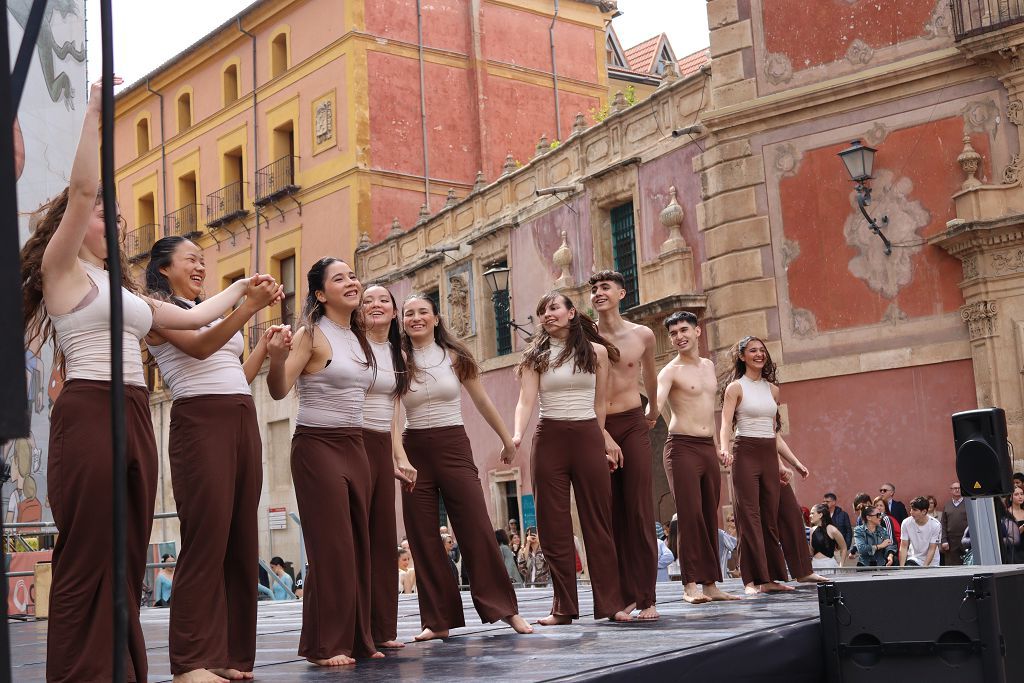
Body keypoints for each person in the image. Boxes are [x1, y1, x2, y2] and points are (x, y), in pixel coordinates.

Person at [20, 77, 277, 683]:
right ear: (73, 224)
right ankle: (79, 673)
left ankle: (121, 669)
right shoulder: (62, 272)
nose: (110, 222)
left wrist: (244, 290)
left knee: (130, 551)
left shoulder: (123, 290)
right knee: (89, 551)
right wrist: (92, 117)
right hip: (89, 408)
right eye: (101, 216)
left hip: (135, 412)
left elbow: (193, 318)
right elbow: (84, 187)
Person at [144, 235, 282, 683]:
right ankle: (189, 662)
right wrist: (247, 302)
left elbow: (232, 373)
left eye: (203, 261)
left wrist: (267, 348)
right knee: (206, 538)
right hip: (199, 420)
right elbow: (200, 348)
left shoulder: (211, 309)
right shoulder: (153, 309)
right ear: (164, 268)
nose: (201, 267)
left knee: (241, 538)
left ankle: (231, 655)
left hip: (240, 413)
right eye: (191, 260)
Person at [267, 257, 382, 667]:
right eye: (340, 278)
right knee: (331, 546)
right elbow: (279, 390)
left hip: (356, 443)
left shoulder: (358, 336)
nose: (351, 282)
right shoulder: (311, 334)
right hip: (317, 445)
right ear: (320, 293)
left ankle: (357, 636)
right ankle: (325, 645)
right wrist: (277, 359)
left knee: (358, 544)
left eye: (352, 275)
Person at [398, 293, 532, 641]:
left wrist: (507, 440)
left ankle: (506, 610)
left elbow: (483, 400)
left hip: (453, 444)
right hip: (414, 449)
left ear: (436, 318)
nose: (415, 318)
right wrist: (397, 456)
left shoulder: (455, 357)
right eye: (408, 313)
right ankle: (437, 620)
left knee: (475, 527)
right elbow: (392, 412)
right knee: (423, 537)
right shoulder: (397, 359)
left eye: (422, 312)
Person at [513, 292, 632, 625]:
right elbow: (525, 400)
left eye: (553, 308)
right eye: (542, 311)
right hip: (548, 437)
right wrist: (517, 434)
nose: (547, 315)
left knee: (598, 521)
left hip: (587, 437)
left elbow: (599, 405)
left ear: (571, 313)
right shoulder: (535, 356)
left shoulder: (596, 353)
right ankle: (564, 608)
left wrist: (602, 437)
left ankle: (611, 605)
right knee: (553, 527)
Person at [589, 271, 660, 620]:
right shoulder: (584, 335)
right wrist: (601, 434)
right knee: (610, 512)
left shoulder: (642, 334)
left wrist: (656, 406)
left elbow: (650, 372)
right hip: (597, 426)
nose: (598, 293)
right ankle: (622, 597)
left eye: (605, 288)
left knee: (639, 509)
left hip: (632, 422)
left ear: (621, 292)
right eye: (594, 289)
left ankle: (647, 597)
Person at [656, 311, 739, 603]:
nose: (679, 337)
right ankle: (689, 585)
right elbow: (655, 406)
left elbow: (707, 412)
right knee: (689, 517)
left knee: (708, 516)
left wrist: (717, 447)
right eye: (674, 333)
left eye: (683, 330)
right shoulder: (669, 371)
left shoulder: (708, 366)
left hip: (706, 447)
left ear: (697, 332)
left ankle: (710, 584)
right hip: (680, 447)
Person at [719, 336, 807, 594]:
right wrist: (724, 449)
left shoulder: (773, 390)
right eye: (752, 350)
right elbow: (726, 424)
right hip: (745, 452)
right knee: (749, 517)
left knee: (769, 518)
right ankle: (750, 581)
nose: (759, 354)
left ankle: (769, 579)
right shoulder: (735, 388)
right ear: (742, 356)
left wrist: (795, 463)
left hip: (768, 454)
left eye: (762, 350)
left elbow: (774, 432)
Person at [361, 284, 417, 650]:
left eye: (384, 300)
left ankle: (383, 630)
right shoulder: (352, 345)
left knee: (383, 539)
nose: (376, 305)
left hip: (381, 442)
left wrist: (399, 455)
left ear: (394, 313)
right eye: (368, 300)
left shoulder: (397, 354)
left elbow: (394, 411)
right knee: (355, 538)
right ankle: (357, 631)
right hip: (351, 438)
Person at [775, 465, 827, 586]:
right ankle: (760, 580)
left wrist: (794, 464)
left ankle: (803, 572)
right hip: (749, 461)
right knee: (757, 520)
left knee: (792, 513)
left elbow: (775, 445)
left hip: (770, 465)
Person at [899, 497, 941, 567]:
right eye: (911, 509)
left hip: (932, 562)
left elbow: (932, 549)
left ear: (924, 511)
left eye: (915, 510)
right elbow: (903, 546)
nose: (911, 512)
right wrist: (902, 568)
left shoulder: (935, 525)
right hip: (913, 558)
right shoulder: (906, 522)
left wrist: (924, 567)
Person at [808, 504, 847, 570]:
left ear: (820, 515)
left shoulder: (832, 529)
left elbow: (844, 548)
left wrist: (841, 565)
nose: (810, 516)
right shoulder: (812, 530)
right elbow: (811, 551)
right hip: (814, 565)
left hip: (829, 565)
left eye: (812, 513)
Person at [941, 482, 968, 566]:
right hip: (951, 541)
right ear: (951, 491)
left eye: (959, 488)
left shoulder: (969, 503)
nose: (957, 490)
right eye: (955, 488)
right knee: (952, 566)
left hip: (966, 540)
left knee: (968, 563)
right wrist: (944, 540)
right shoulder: (947, 505)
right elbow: (943, 524)